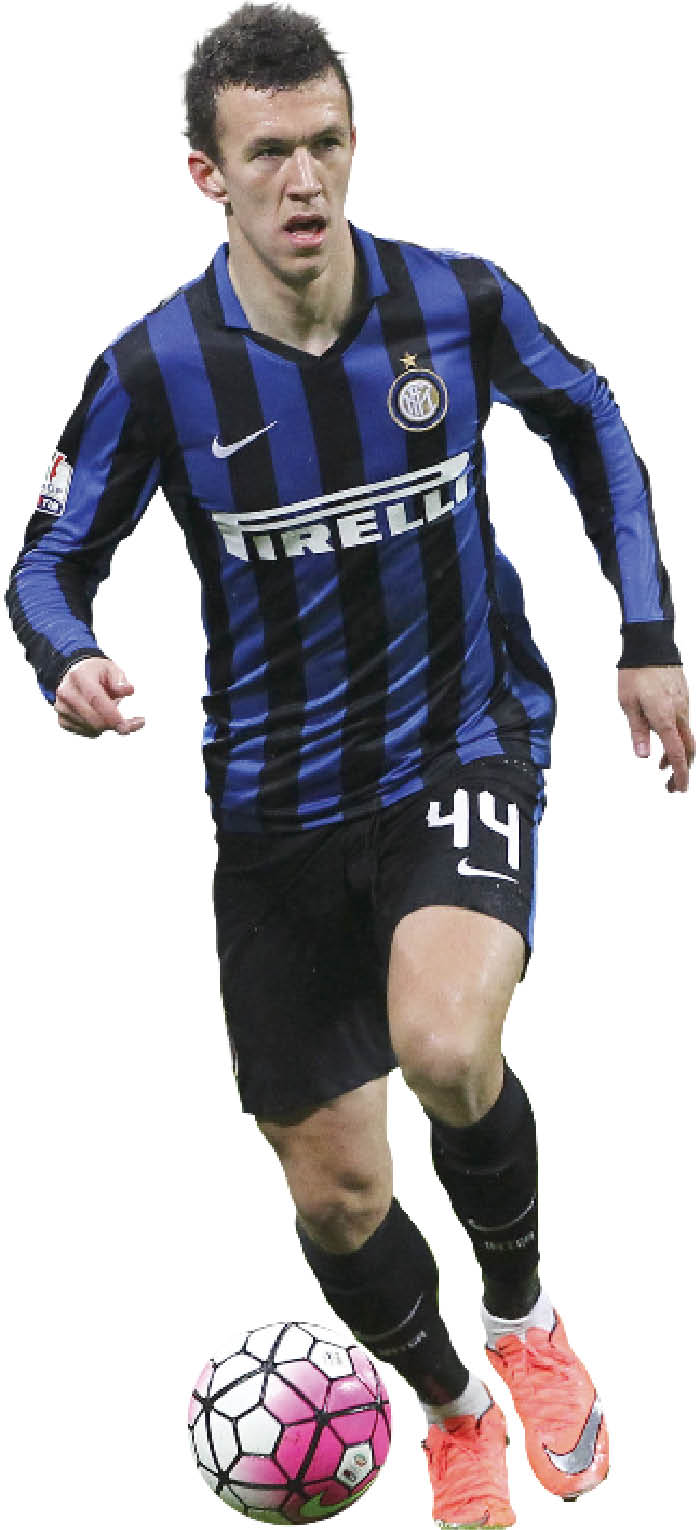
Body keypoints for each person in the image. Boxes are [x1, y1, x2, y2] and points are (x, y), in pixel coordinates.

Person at [6, 5, 694, 1525]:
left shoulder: (454, 300)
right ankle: (452, 1410)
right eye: (268, 152)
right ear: (208, 173)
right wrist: (67, 659)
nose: (304, 178)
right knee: (336, 1191)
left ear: (353, 143)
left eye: (326, 142)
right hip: (274, 805)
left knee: (445, 1043)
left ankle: (525, 1322)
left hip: (462, 736)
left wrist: (644, 628)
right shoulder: (154, 369)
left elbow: (588, 414)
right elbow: (44, 562)